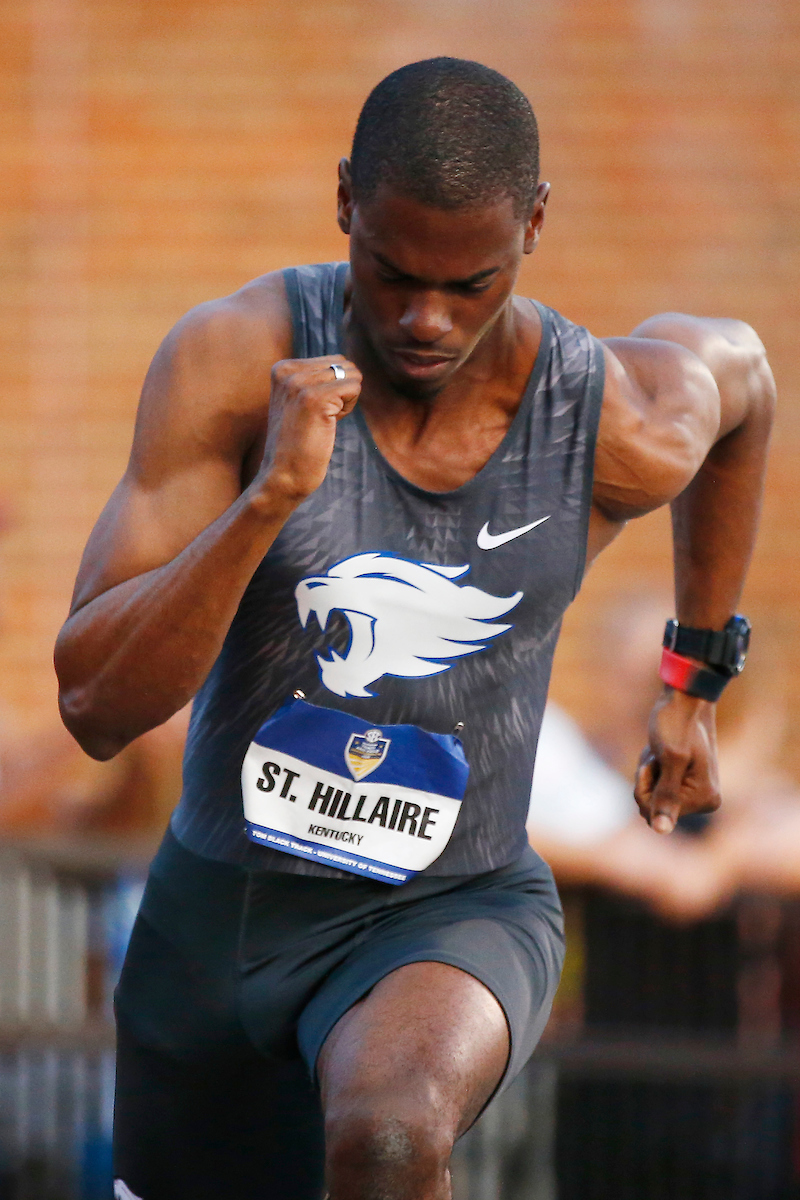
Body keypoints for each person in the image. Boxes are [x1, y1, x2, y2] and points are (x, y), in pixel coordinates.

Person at [53, 58, 775, 1200]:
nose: (423, 319)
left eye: (468, 282)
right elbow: (94, 707)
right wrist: (267, 503)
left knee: (389, 1136)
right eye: (388, 274)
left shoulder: (610, 414)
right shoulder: (234, 360)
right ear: (343, 202)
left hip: (451, 906)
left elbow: (746, 386)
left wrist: (693, 678)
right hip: (220, 914)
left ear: (533, 226)